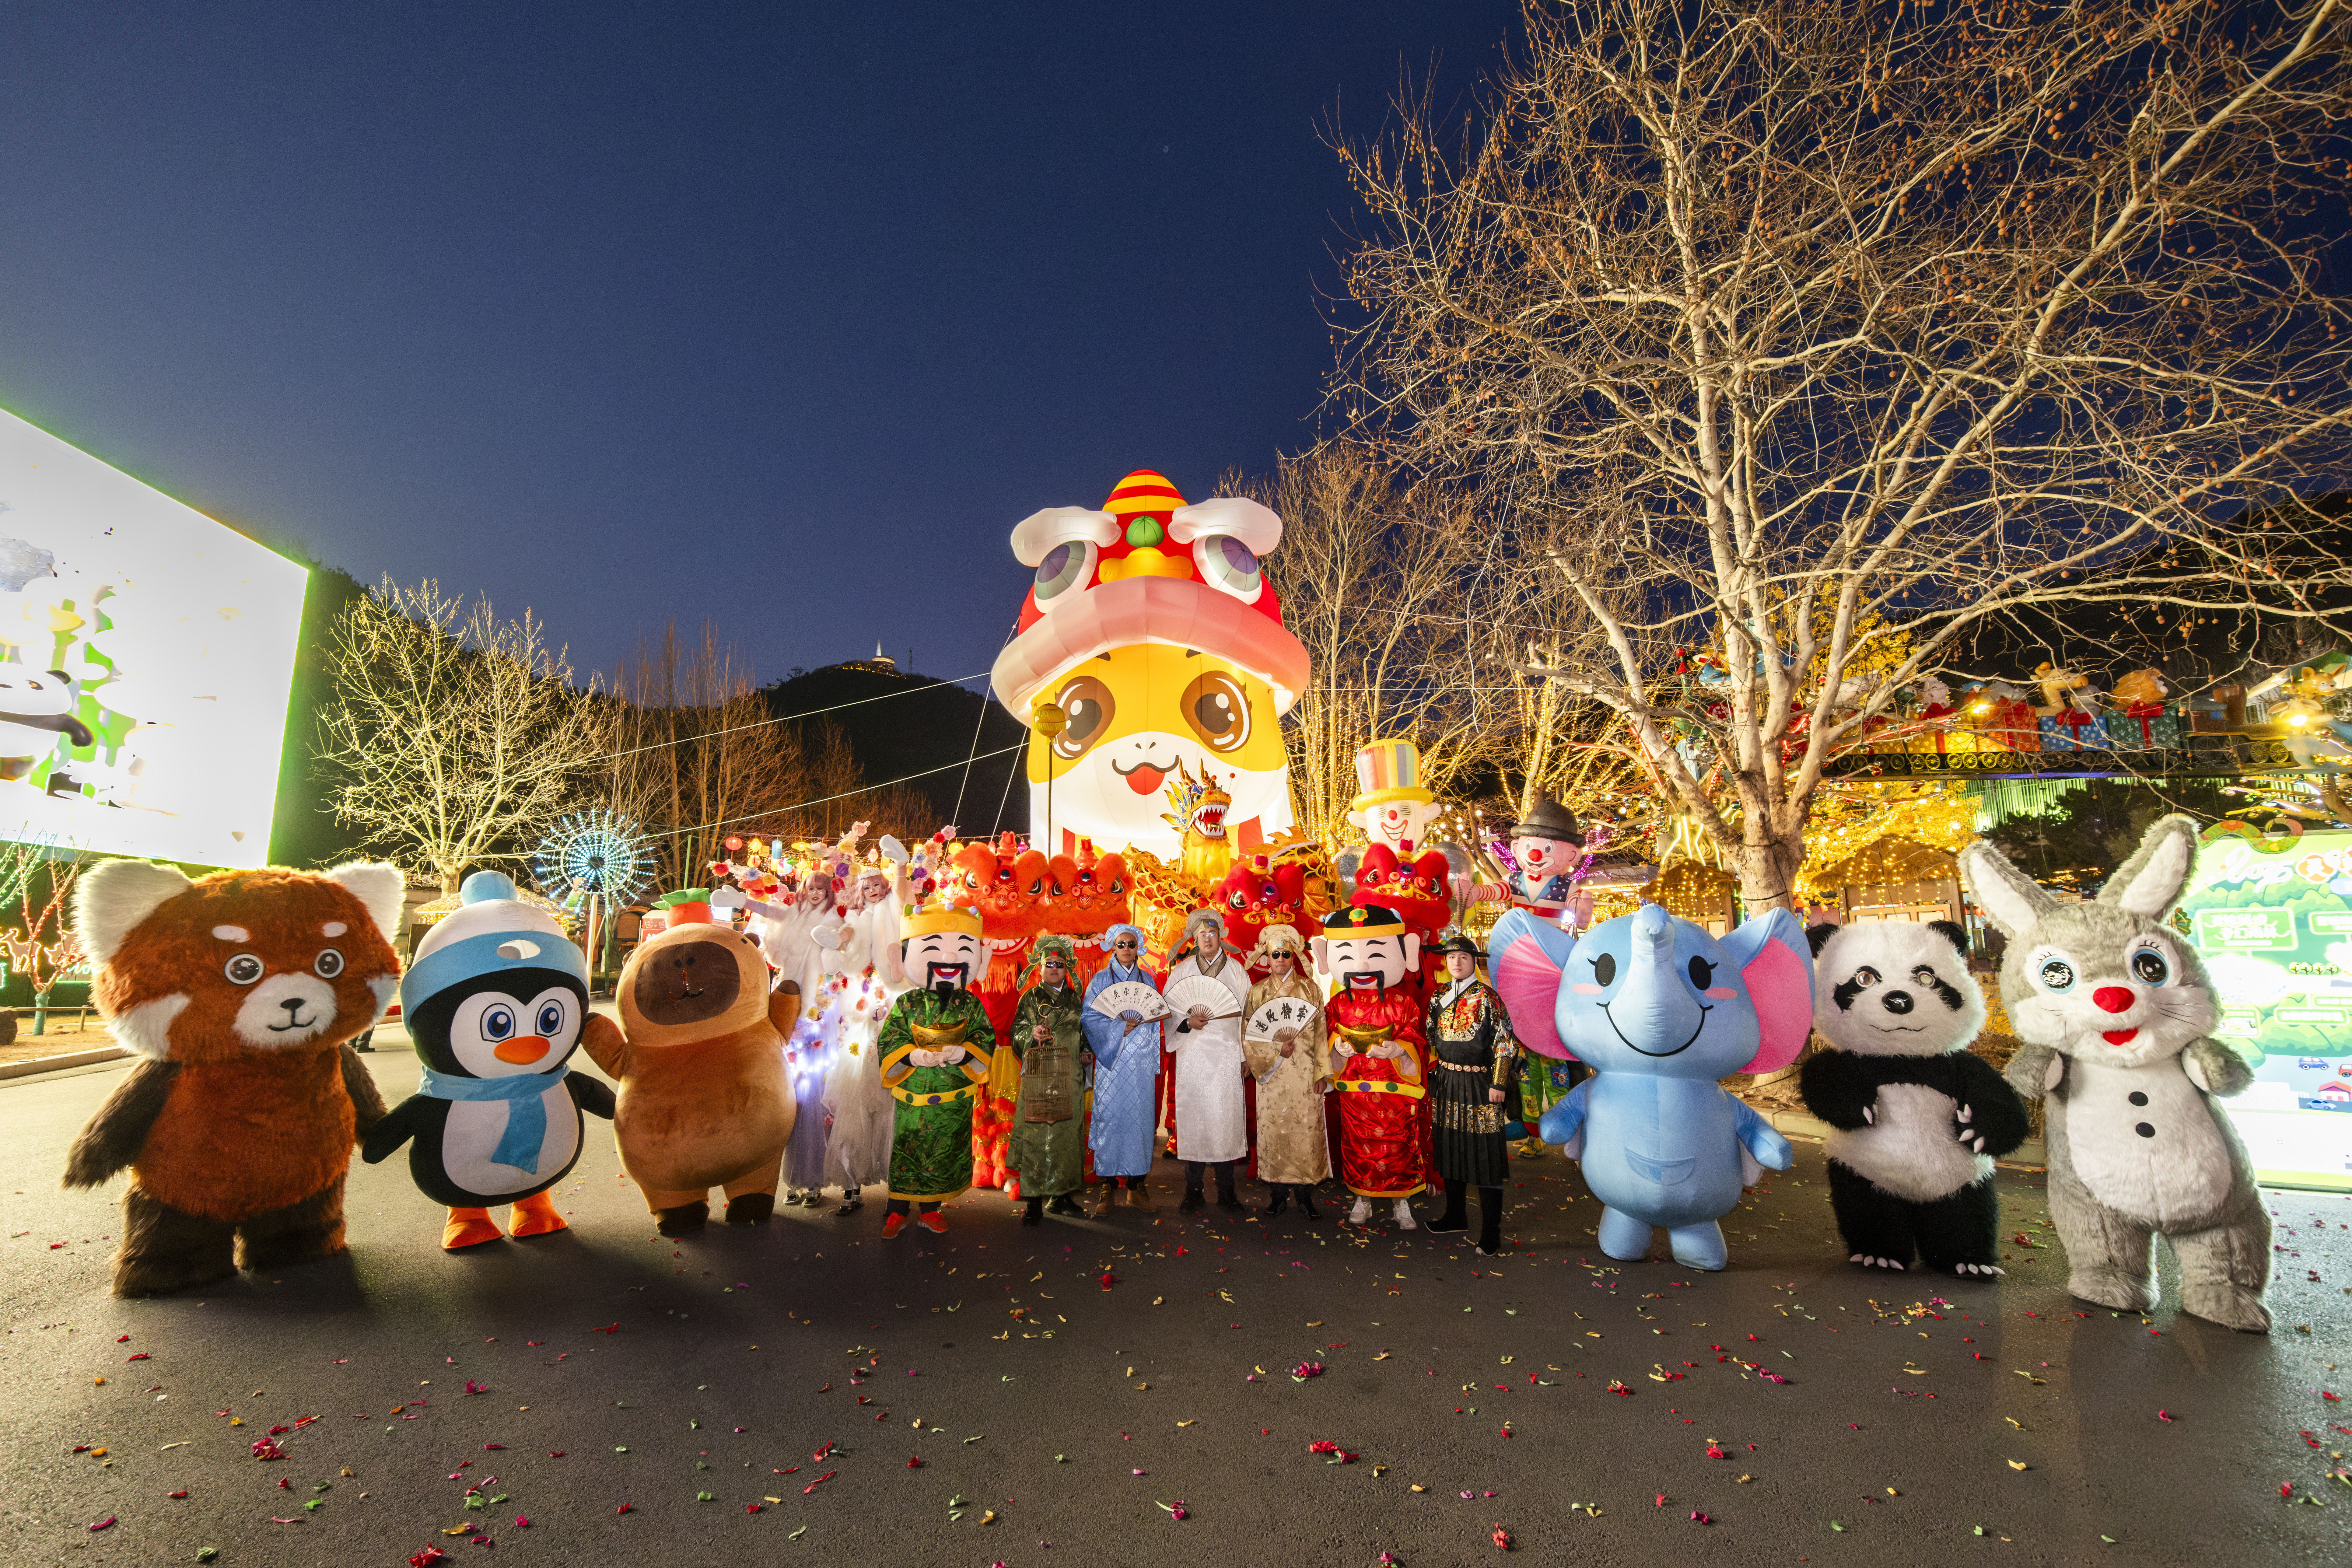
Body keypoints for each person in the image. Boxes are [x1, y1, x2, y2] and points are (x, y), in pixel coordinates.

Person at [875, 894, 996, 1238]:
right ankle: (895, 1211)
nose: (947, 957)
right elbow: (891, 1039)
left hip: (953, 1092)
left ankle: (931, 1210)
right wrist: (913, 1056)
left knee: (944, 1151)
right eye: (933, 948)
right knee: (908, 1147)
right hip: (915, 1091)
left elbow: (984, 1037)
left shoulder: (970, 1003)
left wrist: (966, 1053)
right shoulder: (907, 1002)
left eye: (961, 949)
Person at [1311, 905, 1428, 1228]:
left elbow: (1417, 1039)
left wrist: (1398, 1049)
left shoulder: (1403, 1003)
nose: (1361, 965)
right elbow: (1325, 1035)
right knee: (1357, 1147)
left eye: (1375, 954)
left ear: (1406, 953)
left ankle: (1401, 1202)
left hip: (1394, 1091)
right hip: (1356, 1091)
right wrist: (1337, 1045)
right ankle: (1363, 1198)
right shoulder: (1336, 1004)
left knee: (1401, 1145)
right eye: (1347, 956)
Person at [1423, 929, 1521, 1255]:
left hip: (1482, 1086)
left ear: (1474, 962)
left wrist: (1499, 1082)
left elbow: (1506, 1043)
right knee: (1450, 1149)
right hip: (1448, 1083)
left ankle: (1491, 1232)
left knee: (1486, 1155)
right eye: (1451, 957)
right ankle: (1455, 1216)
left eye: (1464, 957)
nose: (1457, 962)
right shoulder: (1438, 997)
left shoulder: (1489, 998)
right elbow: (1429, 1036)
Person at [1164, 908, 1252, 1215]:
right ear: (1195, 939)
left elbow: (1248, 1017)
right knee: (1197, 1120)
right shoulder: (1183, 971)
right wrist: (1187, 1022)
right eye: (1202, 935)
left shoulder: (1237, 972)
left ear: (1221, 936)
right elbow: (1169, 1011)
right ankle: (1193, 1190)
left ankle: (1228, 1191)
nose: (1208, 939)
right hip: (1194, 1054)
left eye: (1213, 934)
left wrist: (1245, 1056)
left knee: (1225, 1122)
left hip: (1228, 1055)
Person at [1241, 924, 1329, 1216]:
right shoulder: (1257, 992)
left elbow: (1320, 1034)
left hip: (1304, 1075)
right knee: (1275, 1133)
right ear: (1267, 958)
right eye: (1275, 954)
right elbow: (1249, 1036)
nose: (1280, 959)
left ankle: (1306, 1196)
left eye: (1286, 954)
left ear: (1294, 958)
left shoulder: (1311, 990)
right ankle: (1277, 1196)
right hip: (1272, 1076)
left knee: (1305, 1133)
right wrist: (1278, 1050)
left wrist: (1321, 1074)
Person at [1080, 922, 1163, 1215]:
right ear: (1112, 948)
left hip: (1139, 1062)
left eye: (1131, 945)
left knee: (1140, 1121)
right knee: (1110, 1119)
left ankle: (1137, 1186)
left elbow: (1155, 1019)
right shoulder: (1101, 981)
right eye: (1121, 945)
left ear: (1138, 948)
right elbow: (1089, 1018)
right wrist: (1118, 1028)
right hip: (1111, 1062)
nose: (1127, 950)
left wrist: (1153, 1059)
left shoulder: (1148, 981)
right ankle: (1107, 1187)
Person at [1007, 935, 1088, 1223]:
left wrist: (1088, 1051)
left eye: (1060, 965)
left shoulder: (1076, 1000)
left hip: (1070, 1073)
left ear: (1067, 970)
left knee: (1068, 1133)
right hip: (1040, 1074)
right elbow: (1016, 1030)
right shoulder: (1029, 999)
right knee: (1036, 1135)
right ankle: (1033, 1201)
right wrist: (1032, 1035)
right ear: (1039, 968)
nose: (1055, 969)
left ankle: (1061, 1195)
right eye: (1049, 964)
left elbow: (1085, 1032)